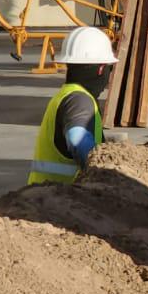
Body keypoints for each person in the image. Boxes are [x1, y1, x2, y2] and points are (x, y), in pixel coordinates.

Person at [27, 27, 116, 185]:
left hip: (44, 198)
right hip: (61, 202)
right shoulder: (79, 100)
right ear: (101, 68)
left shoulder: (66, 94)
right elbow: (77, 138)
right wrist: (103, 173)